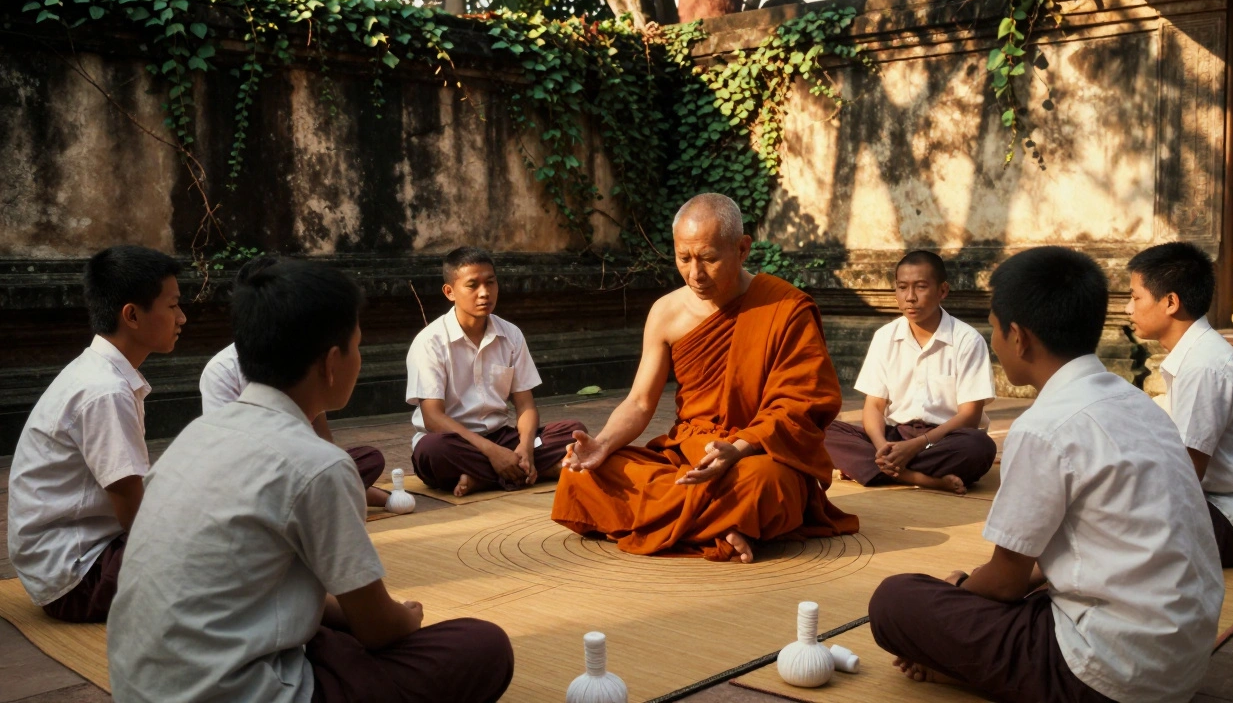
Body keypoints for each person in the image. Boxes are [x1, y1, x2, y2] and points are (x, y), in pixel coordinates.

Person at [107, 259, 513, 703]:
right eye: (357, 346)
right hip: (237, 690)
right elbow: (378, 628)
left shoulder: (194, 437)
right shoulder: (319, 465)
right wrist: (406, 617)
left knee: (330, 634)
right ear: (332, 363)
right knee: (482, 646)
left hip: (139, 684)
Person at [869, 246, 1223, 703]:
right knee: (1019, 598)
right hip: (1183, 656)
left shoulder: (1041, 427)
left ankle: (963, 670)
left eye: (995, 330)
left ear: (1018, 337)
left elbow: (1004, 581)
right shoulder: (1135, 401)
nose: (994, 344)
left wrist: (958, 588)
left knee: (895, 601)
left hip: (1110, 674)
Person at [551, 193, 858, 563]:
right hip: (690, 452)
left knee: (766, 483)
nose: (695, 274)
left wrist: (741, 447)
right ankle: (724, 524)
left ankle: (703, 519)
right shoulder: (666, 312)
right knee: (581, 477)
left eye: (709, 259)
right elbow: (639, 401)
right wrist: (602, 444)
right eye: (684, 258)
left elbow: (802, 405)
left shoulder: (785, 308)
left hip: (755, 454)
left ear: (742, 249)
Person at [6, 246, 185, 623]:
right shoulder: (106, 391)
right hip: (77, 577)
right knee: (226, 556)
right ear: (132, 315)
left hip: (67, 560)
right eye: (172, 306)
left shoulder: (101, 374)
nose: (182, 318)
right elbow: (134, 515)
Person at [1127, 242, 1233, 567]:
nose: (1128, 308)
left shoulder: (1204, 365)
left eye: (1135, 297)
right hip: (1221, 506)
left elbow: (1184, 473)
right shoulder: (1196, 355)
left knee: (1103, 515)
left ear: (1170, 302)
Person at [201, 256, 389, 508]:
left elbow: (319, 434)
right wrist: (330, 472)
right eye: (355, 345)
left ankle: (353, 488)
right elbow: (226, 457)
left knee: (359, 461)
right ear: (331, 362)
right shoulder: (222, 369)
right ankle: (357, 491)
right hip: (245, 480)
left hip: (290, 472)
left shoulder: (179, 456)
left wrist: (331, 461)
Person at [406, 246, 586, 497]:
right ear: (450, 292)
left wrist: (525, 448)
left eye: (490, 283)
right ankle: (535, 471)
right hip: (454, 442)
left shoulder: (510, 334)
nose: (484, 293)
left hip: (503, 438)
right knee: (431, 451)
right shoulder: (430, 342)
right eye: (472, 285)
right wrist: (492, 452)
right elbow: (433, 418)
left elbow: (526, 406)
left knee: (573, 430)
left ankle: (484, 478)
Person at [825, 250, 996, 495]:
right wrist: (883, 447)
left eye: (921, 287)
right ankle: (920, 477)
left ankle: (872, 470)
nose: (910, 297)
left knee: (979, 446)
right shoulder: (885, 337)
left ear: (942, 291)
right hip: (895, 435)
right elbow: (873, 406)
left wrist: (916, 446)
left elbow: (969, 416)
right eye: (902, 287)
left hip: (944, 439)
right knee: (821, 431)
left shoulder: (967, 340)